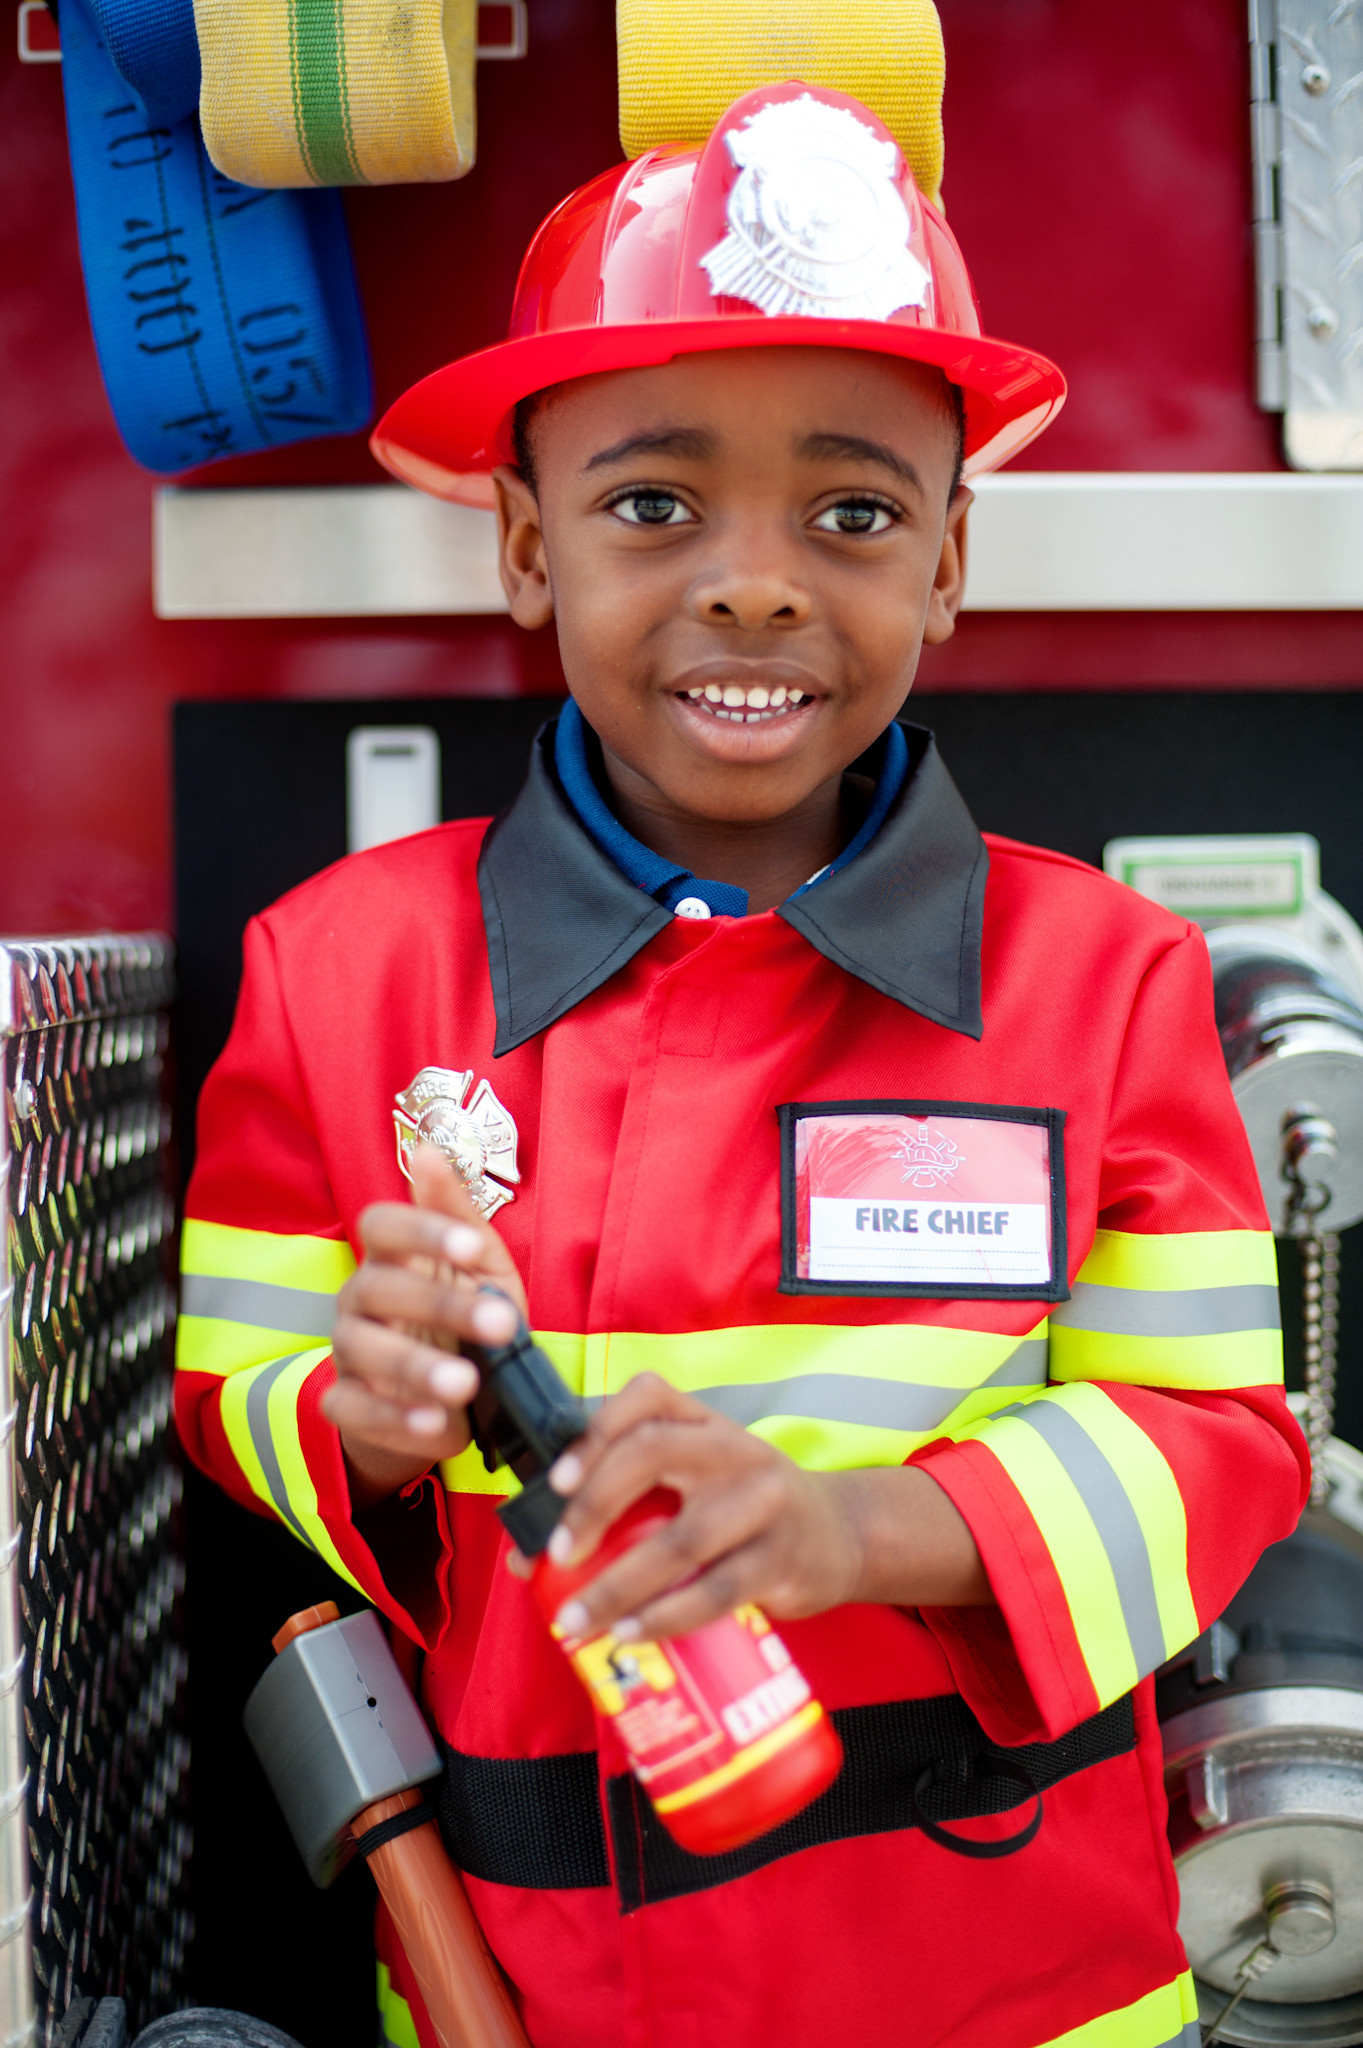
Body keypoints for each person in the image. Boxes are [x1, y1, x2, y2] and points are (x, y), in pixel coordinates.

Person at [176, 80, 1305, 2048]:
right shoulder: (338, 974)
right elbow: (231, 1393)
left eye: (853, 514)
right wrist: (361, 1418)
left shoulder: (1106, 983)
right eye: (651, 505)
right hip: (535, 1989)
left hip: (1020, 1996)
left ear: (947, 560)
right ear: (526, 545)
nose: (758, 582)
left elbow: (1216, 1445)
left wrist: (850, 1533)